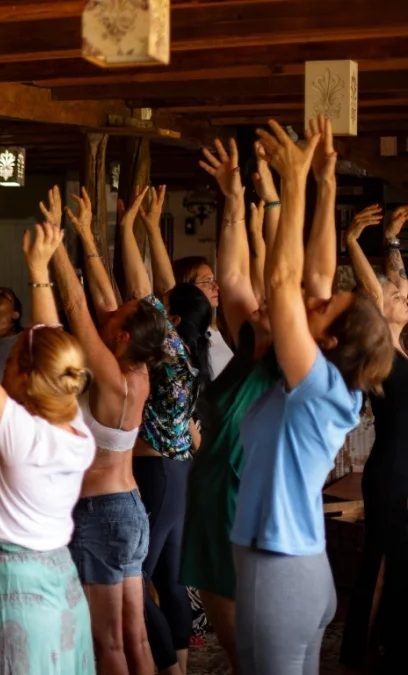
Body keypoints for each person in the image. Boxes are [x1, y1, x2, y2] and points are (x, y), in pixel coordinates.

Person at [232, 117, 394, 675]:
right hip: (298, 568)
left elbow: (283, 283)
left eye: (324, 309)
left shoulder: (316, 386)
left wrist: (294, 181)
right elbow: (318, 274)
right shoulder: (329, 383)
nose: (314, 299)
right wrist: (325, 185)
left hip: (279, 571)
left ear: (327, 341)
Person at [0, 219, 96, 674]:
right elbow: (48, 336)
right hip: (54, 577)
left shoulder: (22, 435)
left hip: (13, 589)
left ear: (22, 377)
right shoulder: (73, 426)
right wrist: (38, 270)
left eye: (12, 357)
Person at [48, 185, 168, 675]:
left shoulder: (113, 379)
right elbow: (101, 299)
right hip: (131, 510)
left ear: (120, 335)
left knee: (108, 645)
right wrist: (85, 234)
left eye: (117, 315)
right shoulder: (137, 371)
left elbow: (77, 306)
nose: (111, 308)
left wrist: (55, 242)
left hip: (99, 513)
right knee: (136, 637)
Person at [180, 137, 284, 674]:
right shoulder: (249, 345)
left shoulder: (283, 364)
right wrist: (233, 198)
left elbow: (275, 273)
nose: (259, 303)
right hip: (211, 491)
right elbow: (237, 275)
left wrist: (275, 203)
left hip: (239, 498)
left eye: (273, 304)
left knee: (250, 647)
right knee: (234, 641)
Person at [123, 183, 199, 675]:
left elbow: (140, 288)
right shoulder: (189, 351)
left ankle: (164, 665)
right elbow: (168, 291)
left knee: (136, 581)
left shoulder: (170, 354)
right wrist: (152, 227)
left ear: (171, 320)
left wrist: (128, 227)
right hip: (178, 472)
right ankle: (181, 669)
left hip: (157, 474)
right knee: (170, 581)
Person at [340, 202, 408, 671]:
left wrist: (391, 241)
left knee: (401, 561)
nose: (404, 296)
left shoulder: (402, 344)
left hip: (401, 467)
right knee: (383, 561)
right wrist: (351, 241)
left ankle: (389, 644)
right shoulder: (380, 351)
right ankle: (358, 652)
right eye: (396, 295)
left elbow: (394, 285)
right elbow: (374, 290)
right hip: (392, 472)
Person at [172, 254, 234, 378]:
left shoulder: (213, 329)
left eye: (214, 280)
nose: (216, 287)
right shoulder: (181, 336)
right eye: (207, 282)